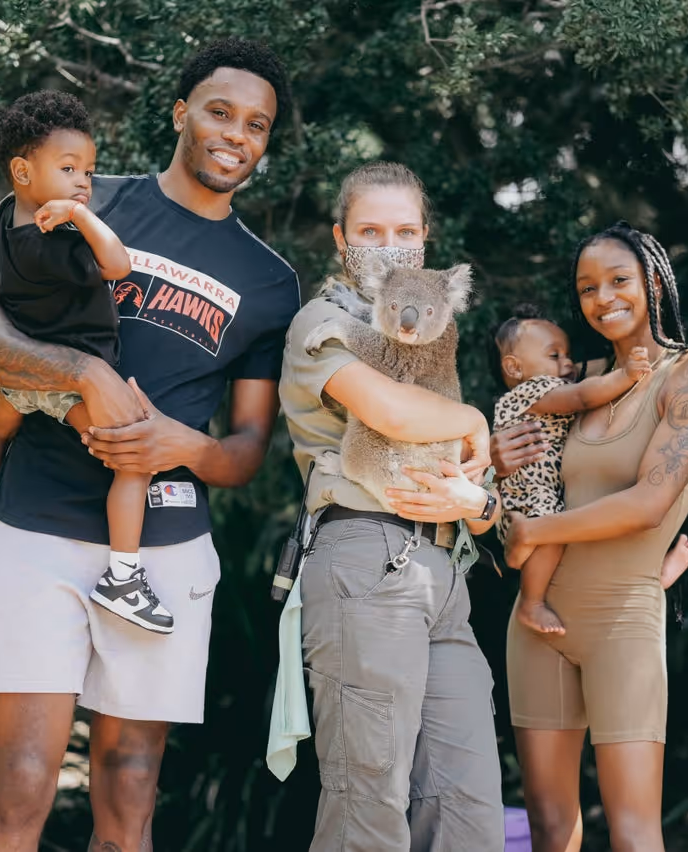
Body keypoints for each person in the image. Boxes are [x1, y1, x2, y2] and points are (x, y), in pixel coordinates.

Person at [0, 38, 298, 851]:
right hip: (34, 526)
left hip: (159, 551)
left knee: (130, 794)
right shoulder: (89, 197)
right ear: (180, 113)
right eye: (219, 111)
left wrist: (179, 445)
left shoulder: (271, 282)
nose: (236, 134)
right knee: (23, 783)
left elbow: (243, 453)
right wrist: (80, 376)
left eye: (258, 125)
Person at [277, 161, 506, 850]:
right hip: (365, 559)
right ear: (342, 239)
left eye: (405, 230)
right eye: (371, 230)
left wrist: (479, 501)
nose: (390, 244)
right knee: (367, 804)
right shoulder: (324, 321)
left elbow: (476, 486)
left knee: (468, 807)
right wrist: (472, 418)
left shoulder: (432, 327)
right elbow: (394, 414)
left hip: (445, 571)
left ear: (426, 240)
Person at [498, 221, 688, 852]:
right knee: (550, 830)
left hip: (622, 621)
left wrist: (535, 532)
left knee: (633, 833)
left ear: (653, 280)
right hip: (535, 624)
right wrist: (495, 456)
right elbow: (528, 467)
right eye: (587, 288)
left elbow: (650, 503)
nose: (603, 299)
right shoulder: (582, 380)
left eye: (619, 281)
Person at [0, 90, 175, 634]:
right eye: (69, 169)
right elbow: (118, 265)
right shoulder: (59, 247)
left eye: (88, 172)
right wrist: (79, 217)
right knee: (133, 462)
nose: (84, 183)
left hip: (24, 372)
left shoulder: (3, 221)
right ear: (23, 171)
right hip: (75, 381)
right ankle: (124, 575)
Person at [493, 314, 664, 635]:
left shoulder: (529, 392)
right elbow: (584, 395)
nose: (568, 362)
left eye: (568, 353)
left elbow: (592, 372)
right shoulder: (537, 390)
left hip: (523, 494)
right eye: (554, 355)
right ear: (515, 368)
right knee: (551, 534)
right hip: (534, 491)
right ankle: (531, 603)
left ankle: (520, 551)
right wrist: (627, 374)